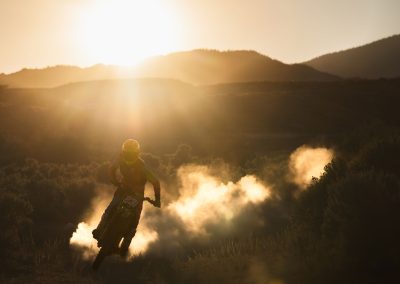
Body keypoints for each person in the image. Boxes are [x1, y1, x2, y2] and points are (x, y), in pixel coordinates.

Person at [92, 139, 161, 257]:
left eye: (131, 154)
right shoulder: (126, 162)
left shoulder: (140, 166)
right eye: (127, 153)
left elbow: (111, 169)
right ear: (124, 152)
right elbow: (156, 182)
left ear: (136, 153)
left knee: (117, 211)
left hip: (132, 193)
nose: (129, 156)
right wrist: (157, 200)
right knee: (128, 218)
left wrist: (114, 180)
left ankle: (118, 243)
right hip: (129, 192)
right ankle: (114, 240)